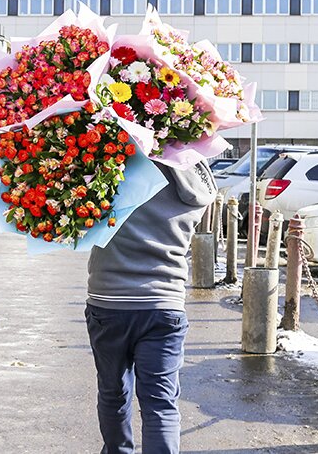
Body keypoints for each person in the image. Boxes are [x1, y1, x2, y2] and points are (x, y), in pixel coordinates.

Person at [85, 160, 217, 453]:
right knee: (161, 404)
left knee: (113, 393)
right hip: (165, 302)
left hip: (108, 298)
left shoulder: (115, 160)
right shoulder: (194, 182)